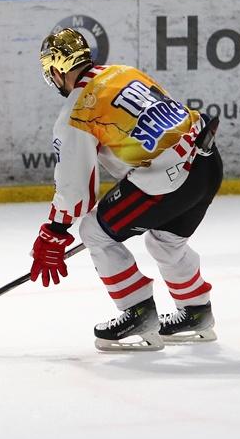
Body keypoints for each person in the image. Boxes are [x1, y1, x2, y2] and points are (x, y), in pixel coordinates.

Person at [29, 28, 222, 352]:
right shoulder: (123, 72)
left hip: (169, 182)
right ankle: (195, 311)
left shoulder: (76, 113)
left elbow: (76, 190)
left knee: (94, 231)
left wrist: (55, 230)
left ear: (57, 70)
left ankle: (138, 313)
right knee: (165, 242)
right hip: (207, 163)